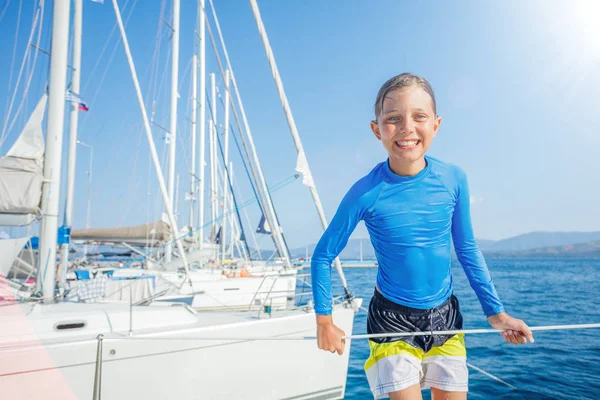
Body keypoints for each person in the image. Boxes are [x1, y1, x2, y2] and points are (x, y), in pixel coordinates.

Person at [310, 73, 534, 400]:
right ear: (376, 130)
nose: (407, 128)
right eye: (393, 119)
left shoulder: (454, 179)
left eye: (419, 117)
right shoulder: (365, 192)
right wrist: (324, 322)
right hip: (391, 321)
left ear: (436, 124)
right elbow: (322, 255)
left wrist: (496, 314)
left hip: (446, 317)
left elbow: (467, 249)